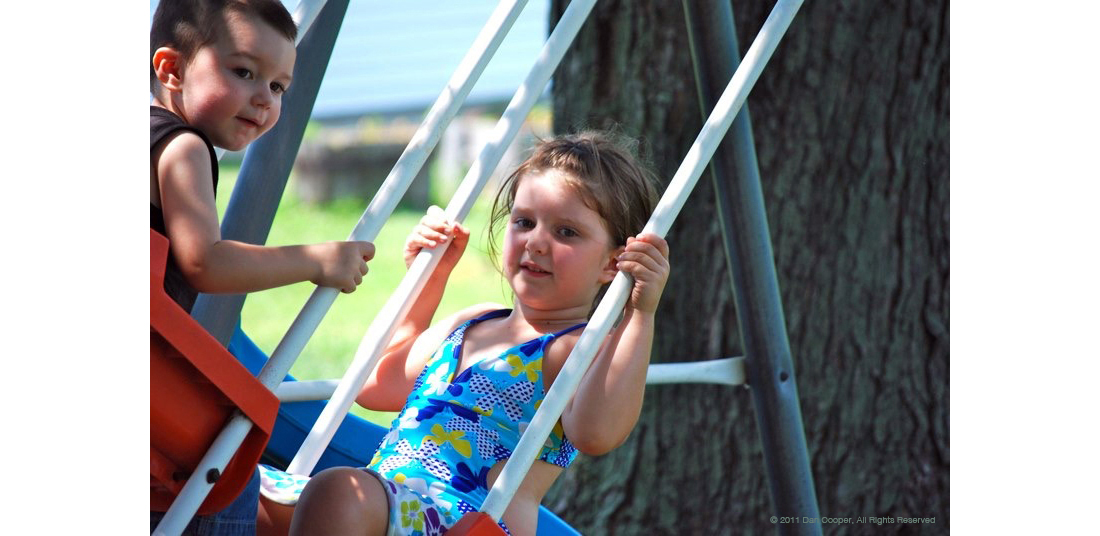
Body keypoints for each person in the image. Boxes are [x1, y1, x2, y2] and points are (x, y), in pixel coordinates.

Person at [288, 131, 670, 536]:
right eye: (524, 222)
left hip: (469, 522)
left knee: (338, 490)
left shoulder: (578, 350)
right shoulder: (475, 322)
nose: (536, 241)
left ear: (613, 264)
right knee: (260, 492)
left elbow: (598, 433)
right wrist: (427, 281)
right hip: (395, 507)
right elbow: (376, 384)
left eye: (566, 232)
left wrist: (639, 313)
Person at [149, 1, 374, 533]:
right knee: (227, 465)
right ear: (171, 70)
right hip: (149, 377)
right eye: (244, 72)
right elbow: (206, 261)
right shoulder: (183, 147)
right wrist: (318, 260)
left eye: (278, 87)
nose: (263, 99)